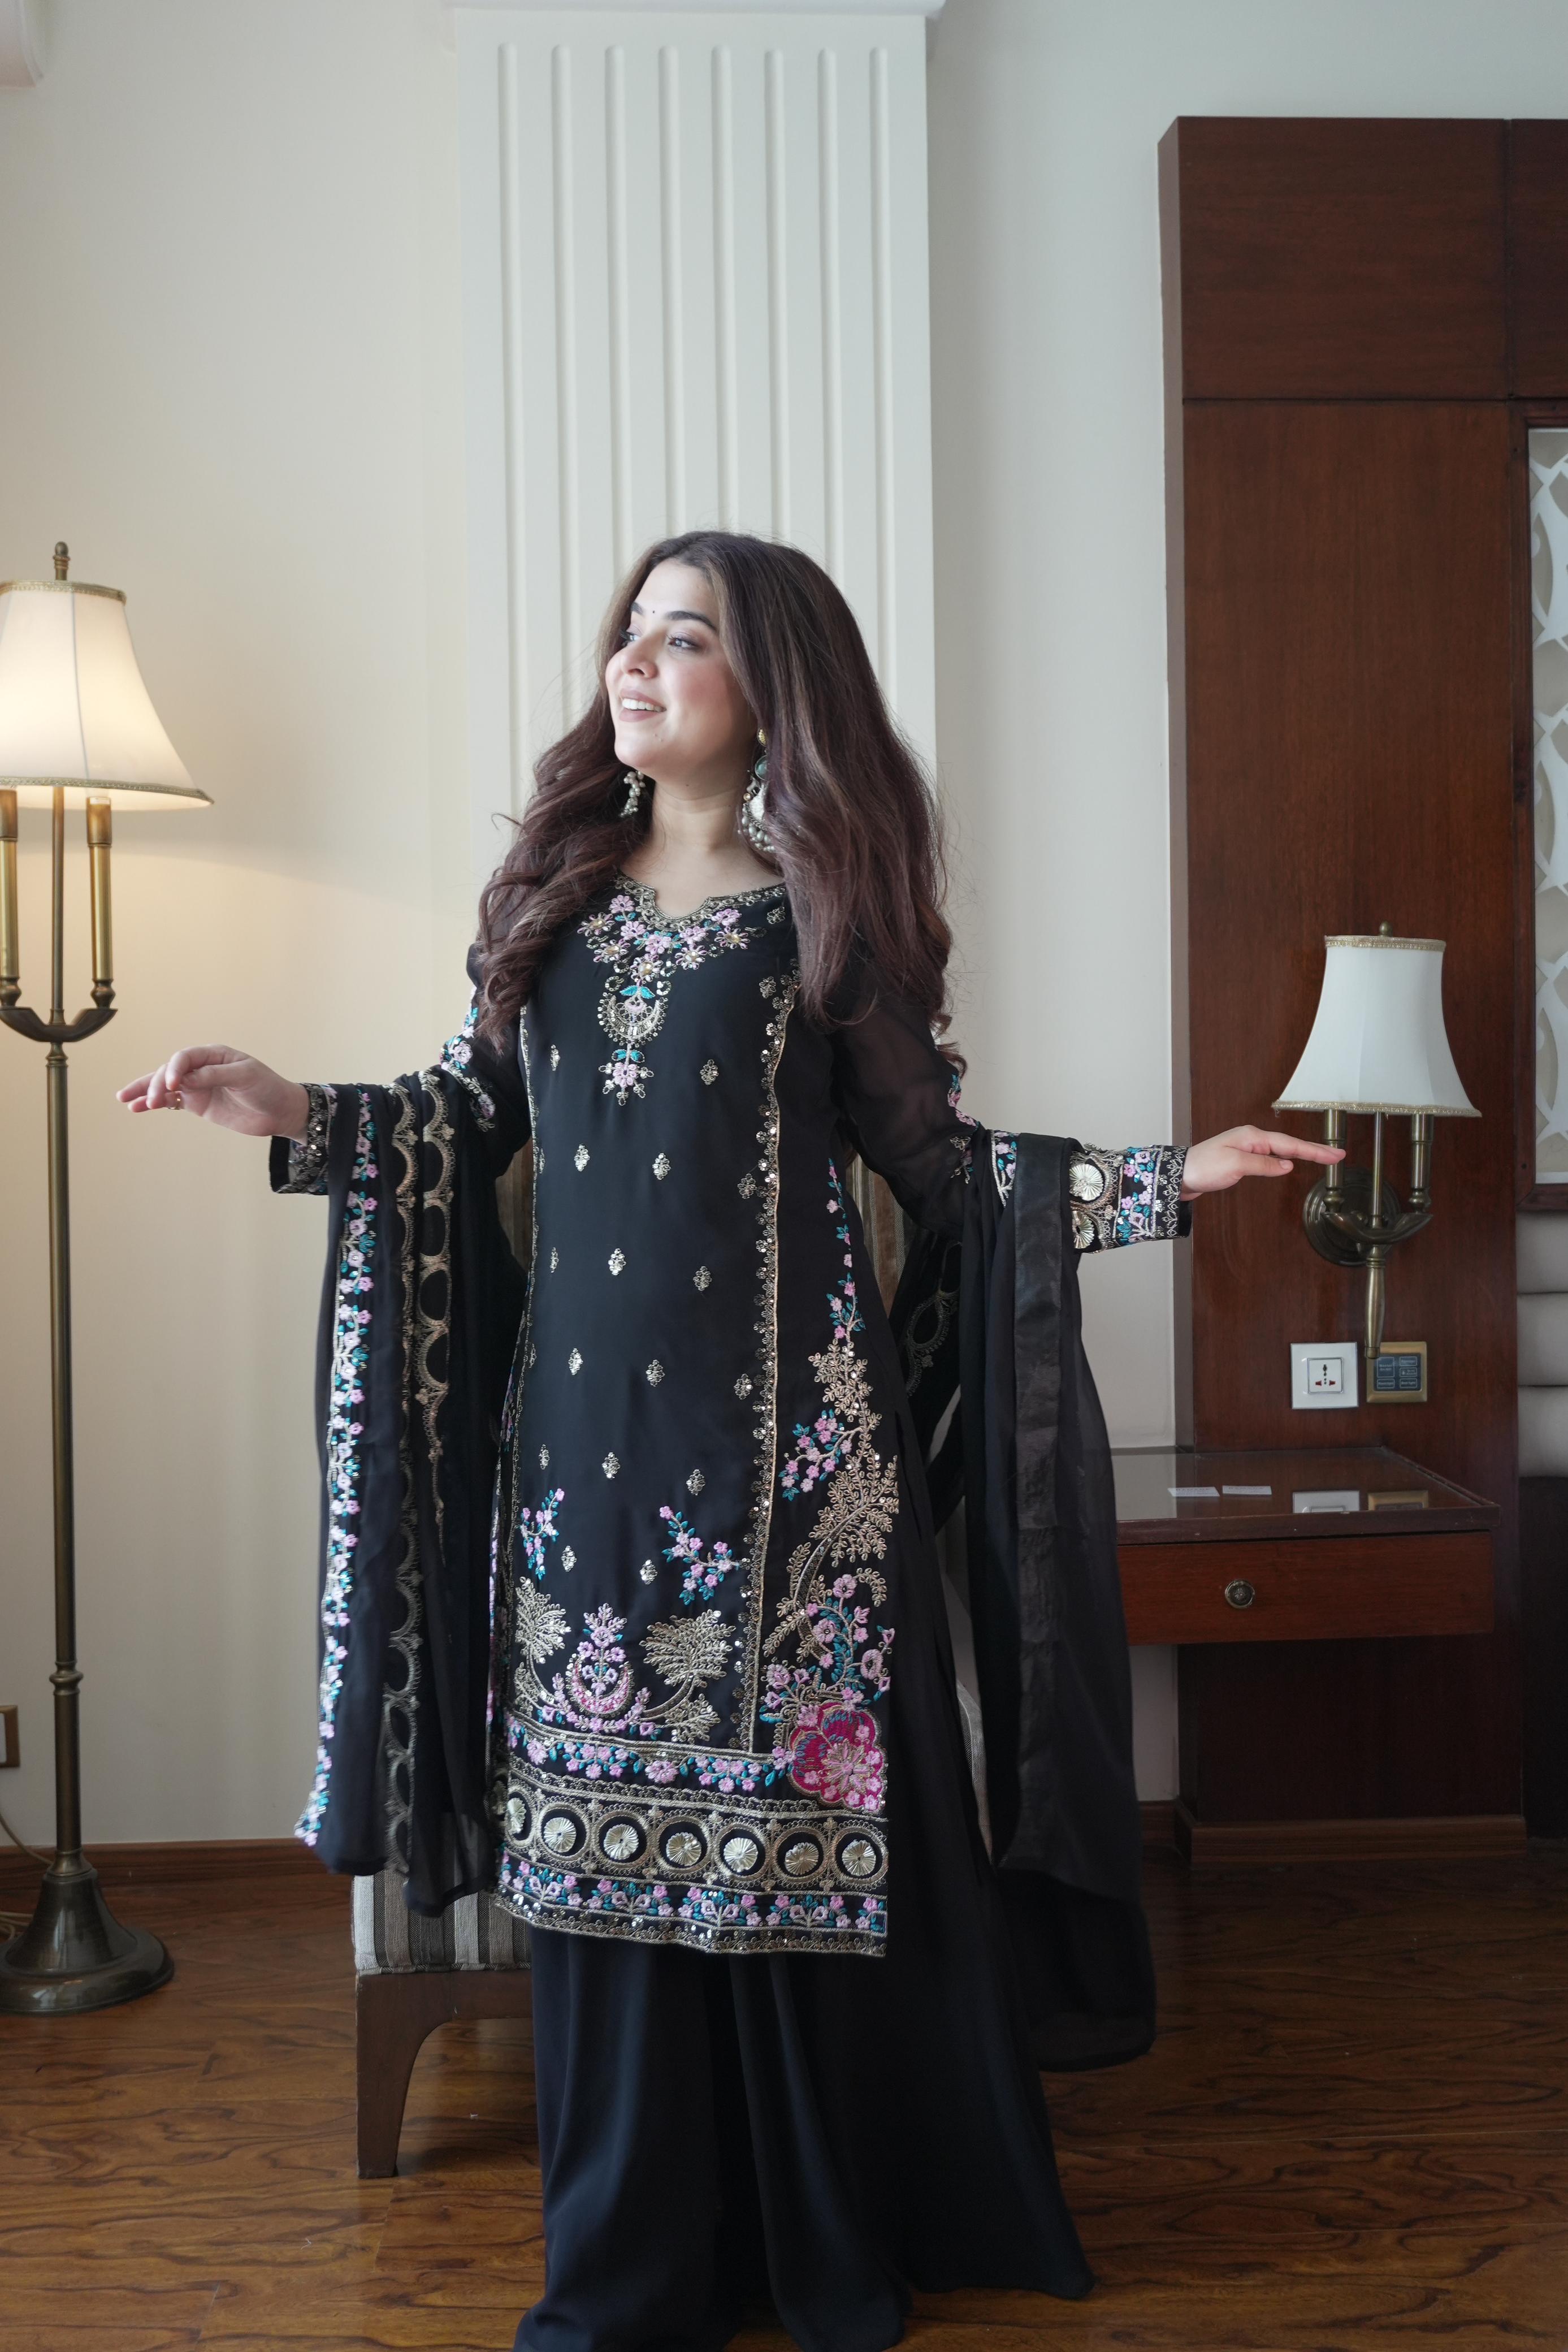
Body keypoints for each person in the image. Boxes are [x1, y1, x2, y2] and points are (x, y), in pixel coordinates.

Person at [121, 531, 1339, 2352]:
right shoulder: (551, 905)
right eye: (630, 632)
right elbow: (467, 1122)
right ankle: (631, 2271)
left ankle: (818, 2241)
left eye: (683, 638)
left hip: (797, 1489)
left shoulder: (820, 920)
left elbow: (948, 1170)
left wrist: (1172, 1177)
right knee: (604, 1864)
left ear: (771, 689)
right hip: (582, 1479)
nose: (635, 662)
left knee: (797, 1867)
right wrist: (295, 1107)